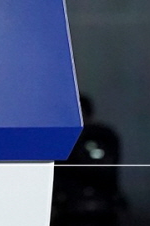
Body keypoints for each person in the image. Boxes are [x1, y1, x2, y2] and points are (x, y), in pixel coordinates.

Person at [51, 94, 128, 226]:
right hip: (69, 209)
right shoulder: (59, 138)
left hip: (99, 209)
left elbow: (103, 169)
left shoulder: (103, 136)